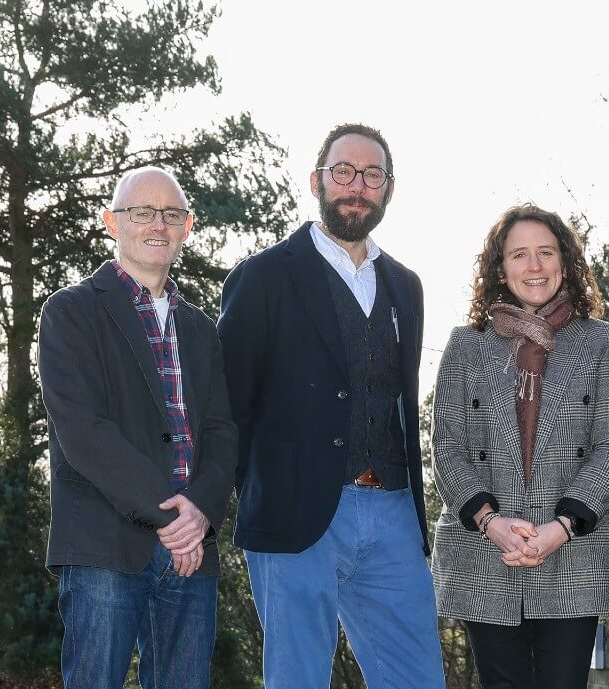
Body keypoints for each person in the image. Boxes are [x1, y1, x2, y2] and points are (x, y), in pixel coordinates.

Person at [217, 123, 445, 688]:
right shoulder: (264, 276)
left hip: (392, 511)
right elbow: (227, 405)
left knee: (418, 679)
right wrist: (259, 493)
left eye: (372, 175)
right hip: (297, 519)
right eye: (344, 172)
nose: (357, 186)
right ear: (317, 181)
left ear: (389, 190)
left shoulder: (406, 286)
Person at [36, 167, 238, 689]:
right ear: (112, 223)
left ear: (187, 227)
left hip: (192, 554)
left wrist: (202, 514)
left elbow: (221, 434)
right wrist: (173, 517)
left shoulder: (201, 331)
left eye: (171, 215)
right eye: (142, 212)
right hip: (106, 545)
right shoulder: (71, 312)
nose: (157, 224)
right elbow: (84, 433)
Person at [430, 204, 609, 689]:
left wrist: (561, 527)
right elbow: (447, 449)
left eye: (546, 252)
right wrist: (491, 522)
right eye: (519, 254)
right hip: (487, 553)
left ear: (565, 262)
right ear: (500, 268)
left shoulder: (605, 344)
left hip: (572, 551)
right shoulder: (466, 346)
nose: (535, 266)